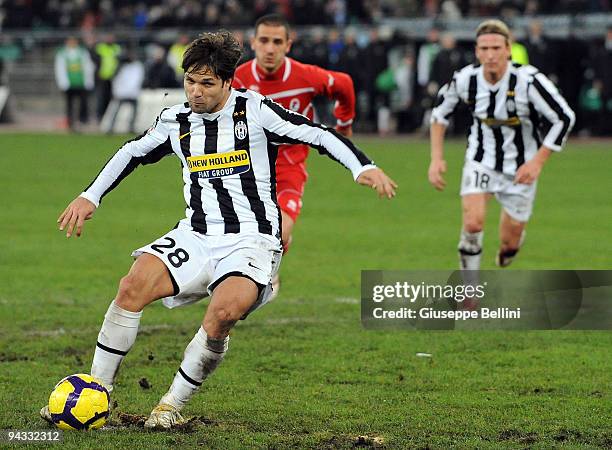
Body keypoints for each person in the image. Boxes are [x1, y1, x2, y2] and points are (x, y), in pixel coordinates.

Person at [40, 30, 396, 429]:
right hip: (196, 234)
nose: (196, 92)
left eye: (207, 83)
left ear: (229, 82)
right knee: (131, 286)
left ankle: (170, 405)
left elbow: (316, 133)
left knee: (222, 313)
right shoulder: (175, 120)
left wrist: (361, 166)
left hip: (252, 239)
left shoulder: (256, 112)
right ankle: (96, 393)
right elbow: (131, 152)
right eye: (190, 81)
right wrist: (91, 196)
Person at [428, 19, 574, 274]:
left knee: (510, 242)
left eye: (496, 48)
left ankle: (511, 247)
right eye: (484, 49)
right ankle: (468, 294)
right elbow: (439, 115)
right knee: (472, 224)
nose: (490, 55)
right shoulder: (465, 79)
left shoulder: (529, 81)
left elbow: (564, 118)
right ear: (476, 51)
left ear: (508, 49)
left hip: (521, 168)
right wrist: (436, 159)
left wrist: (537, 162)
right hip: (481, 160)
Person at [233, 14, 357, 297]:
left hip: (289, 167)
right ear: (253, 43)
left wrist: (345, 122)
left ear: (288, 45)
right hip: (245, 171)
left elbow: (344, 84)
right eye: (264, 40)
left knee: (280, 233)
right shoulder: (237, 79)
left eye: (277, 42)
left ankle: (268, 273)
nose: (270, 48)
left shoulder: (305, 76)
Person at [54, 36, 94, 131]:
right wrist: (62, 83)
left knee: (83, 103)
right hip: (69, 84)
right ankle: (70, 122)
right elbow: (59, 69)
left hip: (81, 82)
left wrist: (88, 81)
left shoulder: (82, 52)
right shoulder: (62, 53)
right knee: (69, 104)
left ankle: (82, 120)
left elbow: (88, 66)